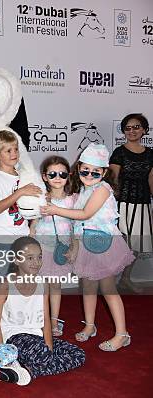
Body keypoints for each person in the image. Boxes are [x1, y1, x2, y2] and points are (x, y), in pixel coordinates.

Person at [42, 144, 135, 351]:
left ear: (104, 173)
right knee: (89, 287)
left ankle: (122, 334)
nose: (90, 175)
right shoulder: (82, 190)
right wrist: (75, 246)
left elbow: (85, 214)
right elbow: (78, 224)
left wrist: (55, 209)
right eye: (85, 170)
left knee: (108, 288)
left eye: (96, 171)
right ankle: (90, 326)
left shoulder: (103, 189)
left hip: (104, 245)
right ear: (78, 169)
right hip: (86, 246)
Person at [0, 237, 86, 379]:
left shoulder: (43, 284)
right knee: (42, 354)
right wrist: (3, 355)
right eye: (30, 258)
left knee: (78, 354)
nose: (36, 262)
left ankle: (28, 371)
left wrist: (49, 346)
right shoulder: (5, 286)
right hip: (13, 337)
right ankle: (19, 364)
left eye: (39, 257)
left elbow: (46, 319)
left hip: (37, 337)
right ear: (16, 260)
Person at [0, 130, 42, 295]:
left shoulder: (23, 175)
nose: (14, 154)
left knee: (18, 281)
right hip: (0, 238)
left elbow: (32, 206)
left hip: (22, 237)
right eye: (8, 151)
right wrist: (21, 191)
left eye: (16, 149)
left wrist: (32, 227)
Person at [109, 113, 153, 292]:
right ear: (123, 131)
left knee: (135, 245)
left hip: (142, 204)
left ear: (144, 130)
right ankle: (108, 280)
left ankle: (126, 279)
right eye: (128, 128)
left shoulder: (151, 154)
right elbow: (113, 180)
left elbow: (151, 180)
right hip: (122, 205)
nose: (132, 131)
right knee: (120, 244)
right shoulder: (119, 152)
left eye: (136, 127)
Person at [34, 156, 76, 337]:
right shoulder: (41, 198)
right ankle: (42, 319)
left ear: (69, 175)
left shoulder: (73, 200)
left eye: (62, 174)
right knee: (41, 286)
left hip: (61, 249)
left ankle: (54, 320)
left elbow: (77, 227)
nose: (57, 177)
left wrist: (74, 248)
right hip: (42, 248)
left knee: (55, 285)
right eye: (52, 174)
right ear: (44, 176)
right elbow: (34, 224)